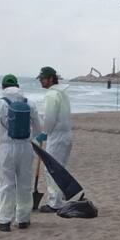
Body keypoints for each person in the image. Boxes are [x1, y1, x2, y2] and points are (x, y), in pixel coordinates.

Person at [0, 74, 41, 232]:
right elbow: (39, 128)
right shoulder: (30, 103)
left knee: (6, 185)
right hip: (25, 147)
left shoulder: (0, 103)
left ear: (3, 87)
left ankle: (4, 221)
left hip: (7, 147)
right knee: (24, 185)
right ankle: (23, 219)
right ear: (18, 86)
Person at [35, 66, 73, 212]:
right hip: (65, 134)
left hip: (57, 136)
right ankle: (60, 197)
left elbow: (50, 117)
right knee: (59, 167)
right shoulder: (62, 93)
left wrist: (45, 132)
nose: (41, 82)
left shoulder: (52, 95)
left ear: (51, 78)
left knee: (51, 168)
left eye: (43, 79)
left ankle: (55, 202)